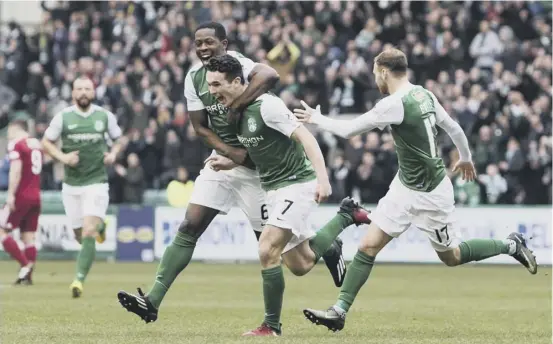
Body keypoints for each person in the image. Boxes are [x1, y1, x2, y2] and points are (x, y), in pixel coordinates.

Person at [117, 22, 348, 324]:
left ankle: (329, 244)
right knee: (190, 225)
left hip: (257, 169)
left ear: (224, 43)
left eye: (209, 42)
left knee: (292, 259)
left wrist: (236, 108)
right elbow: (200, 127)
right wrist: (230, 153)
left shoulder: (240, 65)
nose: (202, 48)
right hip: (224, 160)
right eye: (198, 43)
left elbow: (270, 75)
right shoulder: (193, 78)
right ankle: (152, 300)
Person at [294, 48, 538, 332]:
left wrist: (316, 119)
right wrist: (466, 157)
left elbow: (349, 131)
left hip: (433, 193)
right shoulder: (425, 94)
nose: (375, 80)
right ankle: (339, 311)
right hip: (404, 187)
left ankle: (511, 245)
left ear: (384, 71)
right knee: (368, 246)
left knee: (452, 256)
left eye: (375, 74)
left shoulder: (394, 103)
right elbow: (455, 128)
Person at [202, 54, 371, 336]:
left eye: (216, 84)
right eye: (209, 85)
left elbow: (307, 137)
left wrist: (323, 179)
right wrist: (230, 162)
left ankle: (271, 325)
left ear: (236, 81)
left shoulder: (267, 106)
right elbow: (259, 151)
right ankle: (345, 216)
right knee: (301, 264)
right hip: (273, 189)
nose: (212, 91)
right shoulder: (236, 113)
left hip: (296, 184)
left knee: (267, 249)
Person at [42, 76, 123, 298]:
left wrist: (113, 154)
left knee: (87, 231)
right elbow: (45, 142)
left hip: (96, 182)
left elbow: (120, 139)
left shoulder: (104, 116)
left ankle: (78, 280)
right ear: (73, 93)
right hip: (71, 184)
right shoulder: (63, 117)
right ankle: (100, 227)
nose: (83, 92)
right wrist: (63, 158)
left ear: (93, 92)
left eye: (87, 88)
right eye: (79, 89)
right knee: (80, 236)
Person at [0, 120, 42, 285]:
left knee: (1, 230)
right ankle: (28, 276)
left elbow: (16, 169)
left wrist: (11, 194)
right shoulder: (36, 144)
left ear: (15, 129)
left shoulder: (16, 144)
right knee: (28, 236)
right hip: (36, 195)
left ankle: (25, 265)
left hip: (21, 195)